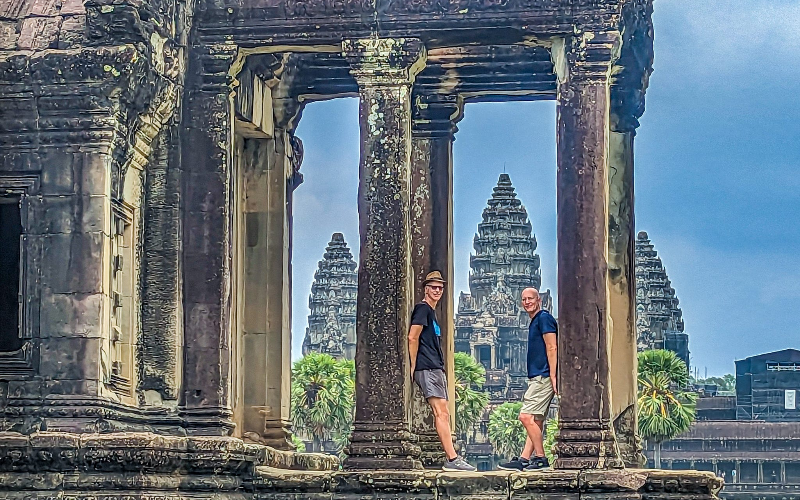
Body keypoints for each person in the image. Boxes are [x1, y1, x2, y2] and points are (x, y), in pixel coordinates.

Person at [409, 271, 476, 472]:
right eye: (433, 287)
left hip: (434, 367)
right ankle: (452, 458)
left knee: (444, 413)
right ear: (425, 289)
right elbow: (413, 337)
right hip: (428, 367)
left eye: (440, 287)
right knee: (442, 413)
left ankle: (452, 457)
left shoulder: (431, 312)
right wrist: (412, 365)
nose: (437, 290)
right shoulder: (422, 309)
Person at [498, 287, 558, 471]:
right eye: (524, 299)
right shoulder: (535, 321)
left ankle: (541, 457)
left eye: (530, 299)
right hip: (537, 375)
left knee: (525, 416)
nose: (527, 302)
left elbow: (552, 347)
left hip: (544, 375)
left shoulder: (544, 318)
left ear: (538, 299)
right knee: (536, 420)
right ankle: (524, 458)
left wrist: (553, 376)